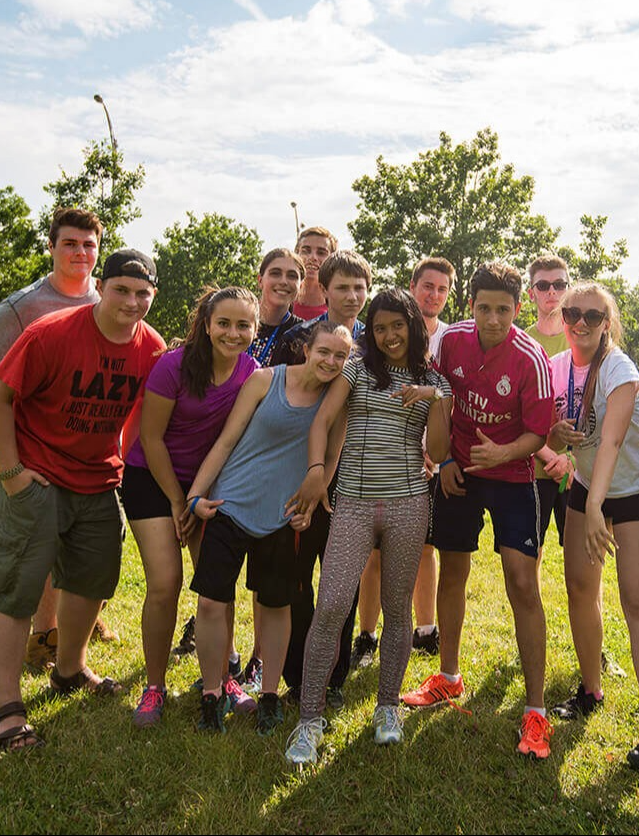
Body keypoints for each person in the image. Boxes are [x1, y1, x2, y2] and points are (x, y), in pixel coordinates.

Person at [0, 248, 164, 752]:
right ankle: (7, 707)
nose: (131, 301)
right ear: (100, 287)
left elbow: (143, 419)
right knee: (15, 586)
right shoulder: (52, 333)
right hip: (35, 475)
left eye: (142, 293)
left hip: (98, 479)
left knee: (92, 580)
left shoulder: (150, 347)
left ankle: (69, 669)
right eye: (121, 289)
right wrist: (11, 472)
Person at [285, 289, 452, 764]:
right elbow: (322, 421)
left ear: (413, 326)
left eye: (397, 325)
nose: (389, 335)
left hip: (409, 504)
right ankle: (309, 720)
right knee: (332, 604)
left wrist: (436, 398)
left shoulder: (433, 379)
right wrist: (317, 470)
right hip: (354, 504)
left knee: (397, 610)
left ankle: (387, 708)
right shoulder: (357, 369)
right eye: (380, 328)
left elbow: (439, 452)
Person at [400, 261, 555, 760]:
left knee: (522, 583)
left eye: (503, 310)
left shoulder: (531, 358)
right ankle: (448, 676)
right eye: (484, 308)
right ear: (470, 305)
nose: (493, 319)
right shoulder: (450, 342)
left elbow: (539, 433)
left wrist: (504, 453)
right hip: (459, 472)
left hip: (512, 478)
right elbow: (441, 402)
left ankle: (536, 710)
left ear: (518, 309)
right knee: (452, 571)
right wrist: (446, 459)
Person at [0, 207, 120, 671]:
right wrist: (10, 420)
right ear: (51, 247)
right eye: (69, 243)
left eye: (89, 245)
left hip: (91, 457)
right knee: (40, 549)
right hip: (38, 455)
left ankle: (77, 624)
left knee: (88, 546)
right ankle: (43, 636)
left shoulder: (109, 300)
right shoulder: (27, 305)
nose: (80, 252)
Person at [184, 321, 353, 734]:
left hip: (284, 515)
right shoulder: (265, 380)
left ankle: (270, 696)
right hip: (229, 505)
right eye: (324, 352)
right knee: (211, 603)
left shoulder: (338, 401)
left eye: (341, 356)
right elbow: (227, 441)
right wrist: (195, 495)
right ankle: (212, 694)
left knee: (277, 605)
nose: (331, 361)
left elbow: (330, 459)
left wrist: (311, 505)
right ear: (306, 349)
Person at [543, 283, 639, 770]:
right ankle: (590, 690)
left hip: (633, 490)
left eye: (593, 317)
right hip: (585, 487)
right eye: (573, 313)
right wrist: (554, 436)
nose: (581, 323)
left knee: (636, 601)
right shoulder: (556, 367)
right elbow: (544, 432)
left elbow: (612, 442)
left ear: (607, 324)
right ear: (562, 317)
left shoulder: (619, 368)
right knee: (580, 588)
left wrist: (596, 507)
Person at [120, 286, 259, 727]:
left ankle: (224, 679)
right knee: (166, 583)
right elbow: (151, 438)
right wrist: (179, 501)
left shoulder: (251, 372)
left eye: (243, 325)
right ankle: (154, 687)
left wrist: (197, 495)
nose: (233, 333)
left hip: (208, 484)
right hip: (151, 478)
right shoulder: (173, 365)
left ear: (255, 329)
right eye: (224, 323)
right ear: (206, 324)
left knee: (217, 584)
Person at [176, 250, 304, 667]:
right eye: (275, 273)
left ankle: (258, 662)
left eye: (292, 275)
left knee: (267, 585)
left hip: (263, 473)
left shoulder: (301, 336)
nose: (283, 281)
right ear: (260, 277)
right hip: (213, 463)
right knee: (214, 575)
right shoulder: (233, 318)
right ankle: (221, 657)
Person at [276, 250, 373, 702]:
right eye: (342, 287)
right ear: (325, 289)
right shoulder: (296, 338)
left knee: (342, 582)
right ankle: (297, 675)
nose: (351, 296)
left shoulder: (376, 344)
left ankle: (333, 677)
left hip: (354, 478)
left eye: (359, 288)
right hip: (300, 470)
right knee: (296, 578)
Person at [354, 256, 456, 666]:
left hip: (430, 463)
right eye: (427, 286)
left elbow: (447, 398)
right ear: (413, 287)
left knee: (425, 549)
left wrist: (437, 457)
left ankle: (426, 630)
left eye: (442, 289)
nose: (434, 294)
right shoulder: (386, 332)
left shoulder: (449, 340)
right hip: (387, 464)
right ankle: (366, 635)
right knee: (375, 554)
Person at [524, 255, 574, 548]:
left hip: (576, 470)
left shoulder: (583, 339)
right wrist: (550, 456)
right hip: (534, 469)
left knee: (582, 556)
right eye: (543, 285)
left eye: (559, 284)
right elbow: (514, 414)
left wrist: (571, 460)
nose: (552, 291)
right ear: (531, 293)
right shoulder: (521, 343)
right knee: (531, 554)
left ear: (569, 288)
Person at [291, 226, 336, 321]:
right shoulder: (282, 303)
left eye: (321, 253)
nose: (312, 257)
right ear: (296, 254)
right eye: (306, 251)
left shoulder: (337, 310)